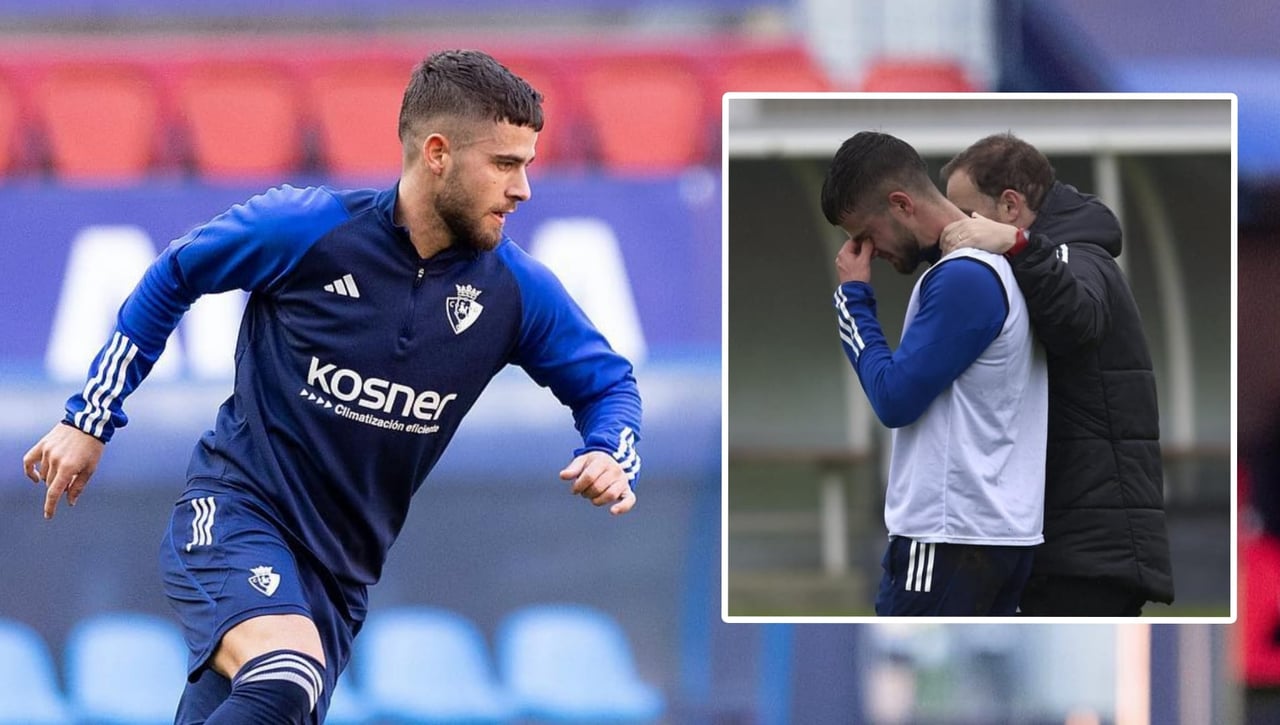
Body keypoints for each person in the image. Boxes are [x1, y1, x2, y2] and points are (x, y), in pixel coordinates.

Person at [22, 49, 642, 723]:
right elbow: (175, 272)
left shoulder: (515, 292)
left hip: (339, 581)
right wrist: (90, 418)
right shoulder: (309, 229)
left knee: (267, 694)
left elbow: (609, 385)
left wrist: (611, 449)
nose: (523, 188)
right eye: (505, 164)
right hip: (236, 515)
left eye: (526, 164)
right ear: (437, 152)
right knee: (285, 673)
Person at [939, 132, 1174, 616]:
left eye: (966, 215)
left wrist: (1016, 245)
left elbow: (1077, 319)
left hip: (1087, 553)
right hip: (1072, 545)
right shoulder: (1050, 255)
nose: (956, 230)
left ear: (1009, 207)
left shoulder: (1076, 256)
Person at [821, 131, 1048, 616]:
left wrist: (853, 300)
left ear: (901, 204)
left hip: (949, 535)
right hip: (993, 533)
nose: (866, 250)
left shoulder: (965, 276)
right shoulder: (994, 265)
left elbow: (895, 399)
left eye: (866, 233)